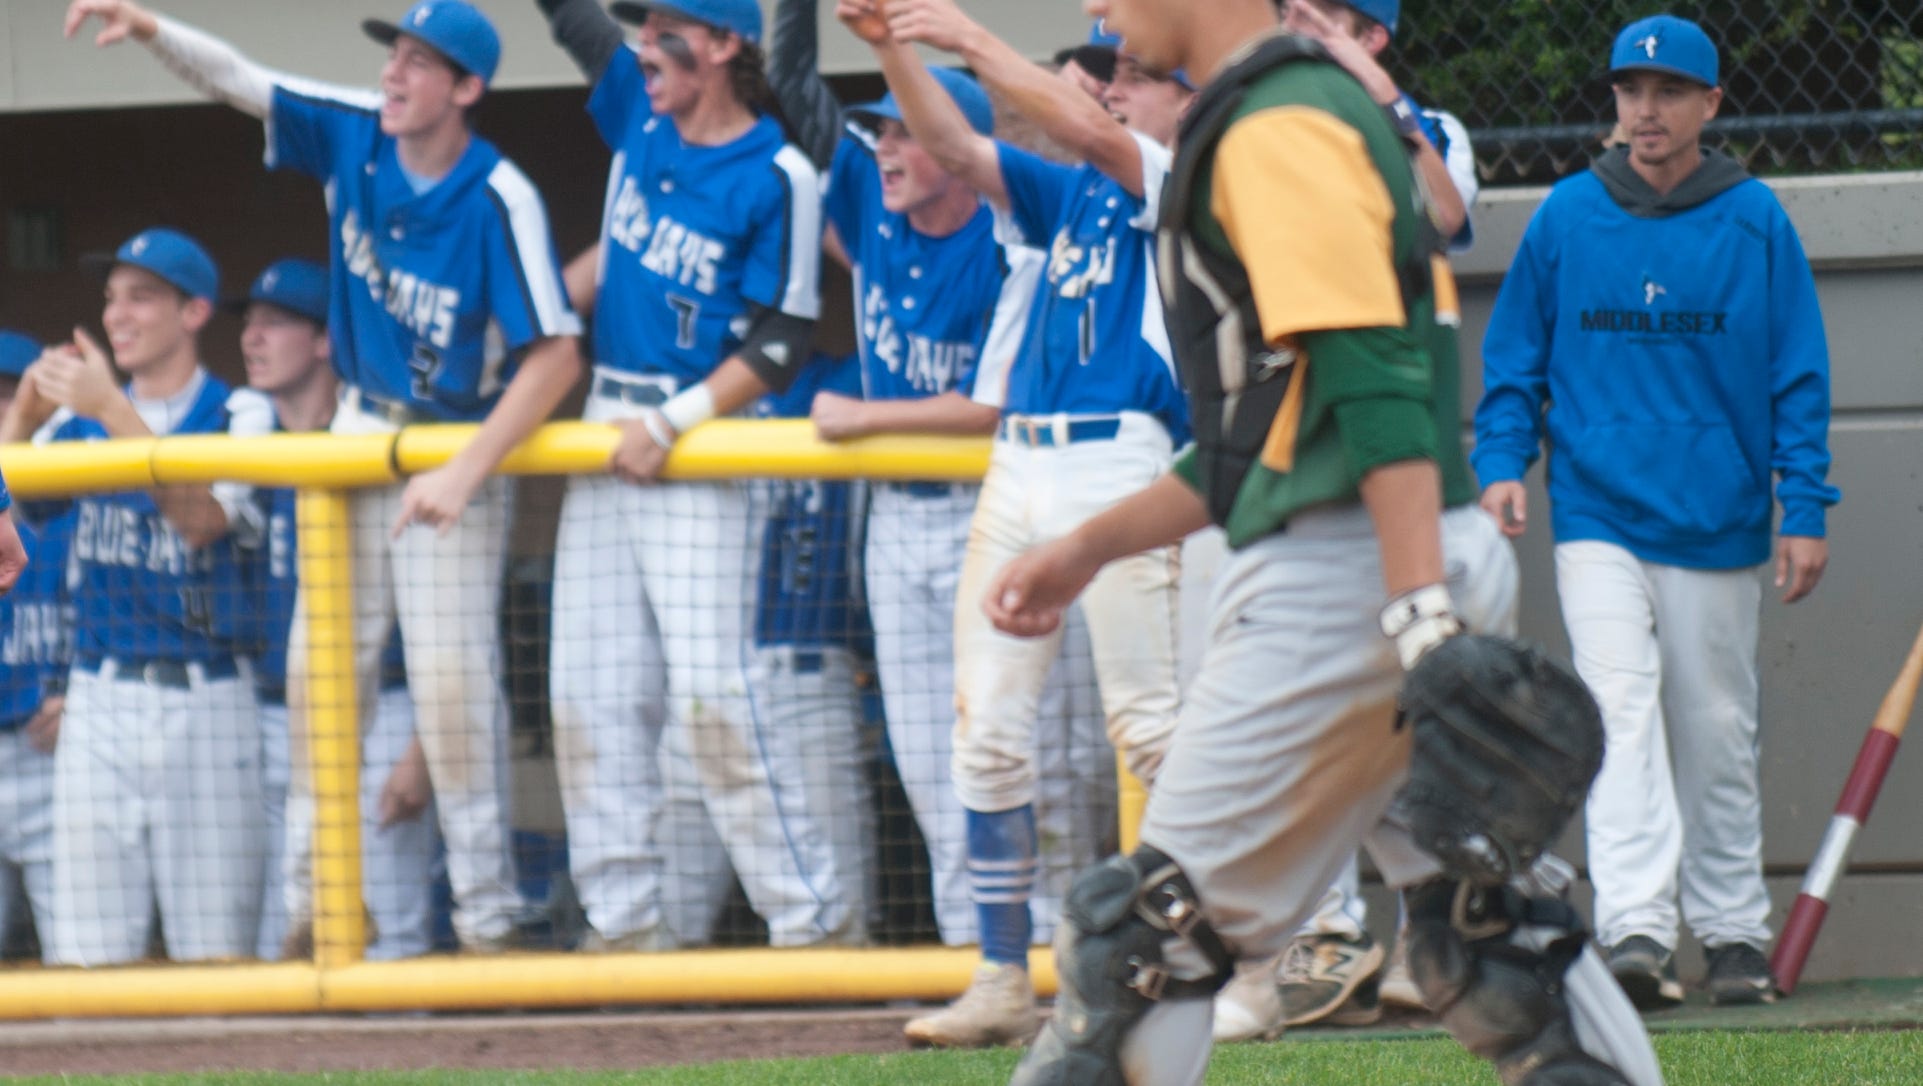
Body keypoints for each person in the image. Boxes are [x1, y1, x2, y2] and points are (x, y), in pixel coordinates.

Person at [982, 0, 1670, 1080]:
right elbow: (1252, 439)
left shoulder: (1276, 123)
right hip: (1385, 550)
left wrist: (1417, 616)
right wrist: (1082, 550)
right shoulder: (1309, 103)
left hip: (1350, 575)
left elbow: (1374, 376)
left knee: (1143, 938)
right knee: (1483, 932)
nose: (1101, 17)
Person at [66, 0, 587, 955]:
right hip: (356, 428)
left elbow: (553, 357)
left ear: (466, 89)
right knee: (319, 675)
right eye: (394, 55)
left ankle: (487, 919)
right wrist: (150, 30)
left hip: (450, 441)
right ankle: (319, 904)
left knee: (447, 684)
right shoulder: (356, 131)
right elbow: (239, 79)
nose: (394, 74)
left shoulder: (497, 191)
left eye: (419, 63)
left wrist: (470, 472)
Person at [836, 0, 1194, 1047]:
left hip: (1122, 457)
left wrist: (965, 35)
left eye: (1130, 72)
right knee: (985, 734)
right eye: (1102, 69)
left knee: (1155, 733)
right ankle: (1001, 975)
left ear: (1186, 98)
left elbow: (1089, 130)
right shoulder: (1071, 190)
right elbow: (954, 145)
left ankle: (1231, 958)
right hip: (1021, 466)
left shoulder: (1180, 175)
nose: (1110, 83)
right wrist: (890, 47)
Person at [1475, 13, 1838, 1010]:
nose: (1646, 110)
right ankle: (1635, 927)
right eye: (1631, 92)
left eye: (1670, 92)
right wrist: (1503, 461)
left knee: (1716, 725)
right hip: (1597, 514)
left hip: (1718, 518)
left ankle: (1730, 935)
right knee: (1614, 712)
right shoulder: (1565, 216)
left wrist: (1801, 505)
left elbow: (1798, 376)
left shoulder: (1756, 217)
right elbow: (1514, 365)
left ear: (1709, 105)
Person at [764, 0, 1110, 953]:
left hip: (992, 512)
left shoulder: (1007, 244)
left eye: (901, 133)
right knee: (926, 752)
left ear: (951, 153)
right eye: (875, 129)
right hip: (897, 521)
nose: (881, 147)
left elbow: (990, 406)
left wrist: (866, 416)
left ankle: (1067, 946)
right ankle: (978, 950)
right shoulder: (874, 210)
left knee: (1042, 749)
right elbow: (792, 90)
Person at [530, 0, 852, 950]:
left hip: (699, 435)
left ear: (723, 46)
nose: (640, 47)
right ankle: (625, 928)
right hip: (604, 423)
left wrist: (675, 421)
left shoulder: (777, 171)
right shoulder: (641, 108)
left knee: (716, 699)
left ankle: (812, 926)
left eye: (665, 28)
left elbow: (783, 337)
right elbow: (575, 25)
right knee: (588, 692)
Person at [1212, 0, 1486, 1039]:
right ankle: (1318, 943)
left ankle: (1450, 932)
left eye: (1327, 16)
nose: (1298, 25)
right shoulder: (1259, 118)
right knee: (1313, 737)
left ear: (1374, 36)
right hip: (1282, 451)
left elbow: (1443, 214)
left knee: (1409, 738)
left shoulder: (1417, 120)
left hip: (1396, 467)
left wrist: (1375, 96)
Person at [0, 227, 273, 966]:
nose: (117, 316)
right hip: (101, 696)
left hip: (208, 701)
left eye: (142, 298)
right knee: (87, 956)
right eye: (111, 299)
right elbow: (15, 506)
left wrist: (112, 410)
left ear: (193, 312)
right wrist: (23, 418)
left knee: (214, 952)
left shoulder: (240, 410)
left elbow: (203, 522)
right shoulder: (74, 420)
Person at [232, 259, 441, 961]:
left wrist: (424, 747)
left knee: (392, 934)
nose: (252, 338)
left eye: (275, 322)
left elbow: (450, 620)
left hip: (385, 710)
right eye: (248, 323)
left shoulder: (377, 448)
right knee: (286, 940)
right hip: (274, 718)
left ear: (325, 340)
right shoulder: (250, 452)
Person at [653, 351, 877, 946]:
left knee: (840, 930)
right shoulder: (684, 392)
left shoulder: (845, 382)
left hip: (809, 677)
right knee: (661, 923)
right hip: (704, 692)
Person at [0, 331, 70, 964]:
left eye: (9, 401)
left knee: (75, 953)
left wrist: (78, 696)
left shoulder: (68, 499)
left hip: (47, 749)